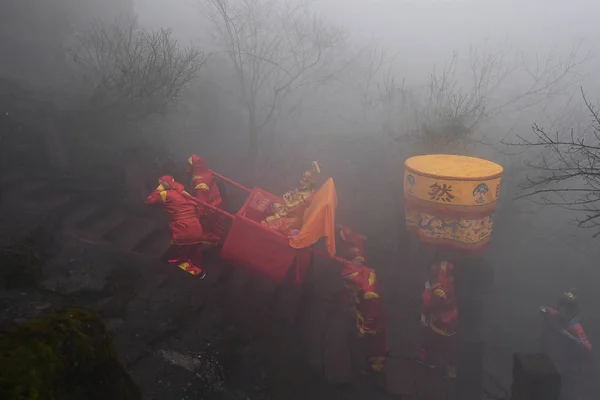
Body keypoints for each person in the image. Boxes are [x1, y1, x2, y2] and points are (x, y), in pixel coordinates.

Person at [145, 175, 219, 278]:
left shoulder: (165, 194)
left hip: (183, 231)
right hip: (197, 229)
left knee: (178, 257)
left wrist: (160, 188)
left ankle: (192, 272)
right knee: (195, 250)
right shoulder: (183, 192)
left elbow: (149, 201)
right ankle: (200, 271)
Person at [540, 289, 592, 399]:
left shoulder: (575, 326)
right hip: (559, 362)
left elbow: (586, 346)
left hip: (573, 368)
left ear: (571, 310)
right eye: (562, 306)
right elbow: (547, 310)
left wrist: (567, 335)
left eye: (566, 307)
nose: (562, 310)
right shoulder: (560, 317)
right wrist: (546, 311)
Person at [341, 251, 387, 373]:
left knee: (374, 343)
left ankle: (376, 364)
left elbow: (372, 312)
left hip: (373, 320)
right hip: (369, 312)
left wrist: (363, 329)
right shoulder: (366, 272)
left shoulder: (367, 291)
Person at [417, 259, 459, 379]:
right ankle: (452, 369)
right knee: (450, 345)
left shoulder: (436, 288)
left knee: (433, 339)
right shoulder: (451, 283)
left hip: (439, 321)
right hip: (453, 320)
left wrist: (427, 289)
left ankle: (430, 360)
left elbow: (428, 303)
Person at [261, 161, 320, 235]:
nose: (301, 182)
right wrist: (288, 195)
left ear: (308, 183)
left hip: (292, 219)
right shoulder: (303, 190)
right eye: (302, 179)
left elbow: (291, 207)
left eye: (304, 180)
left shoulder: (305, 197)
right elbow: (294, 193)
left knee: (267, 221)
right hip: (286, 211)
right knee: (274, 204)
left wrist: (286, 200)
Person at [187, 155, 227, 240]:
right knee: (219, 226)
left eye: (189, 166)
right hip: (218, 203)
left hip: (211, 209)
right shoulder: (207, 173)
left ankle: (214, 244)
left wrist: (196, 217)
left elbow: (201, 203)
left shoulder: (199, 182)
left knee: (210, 229)